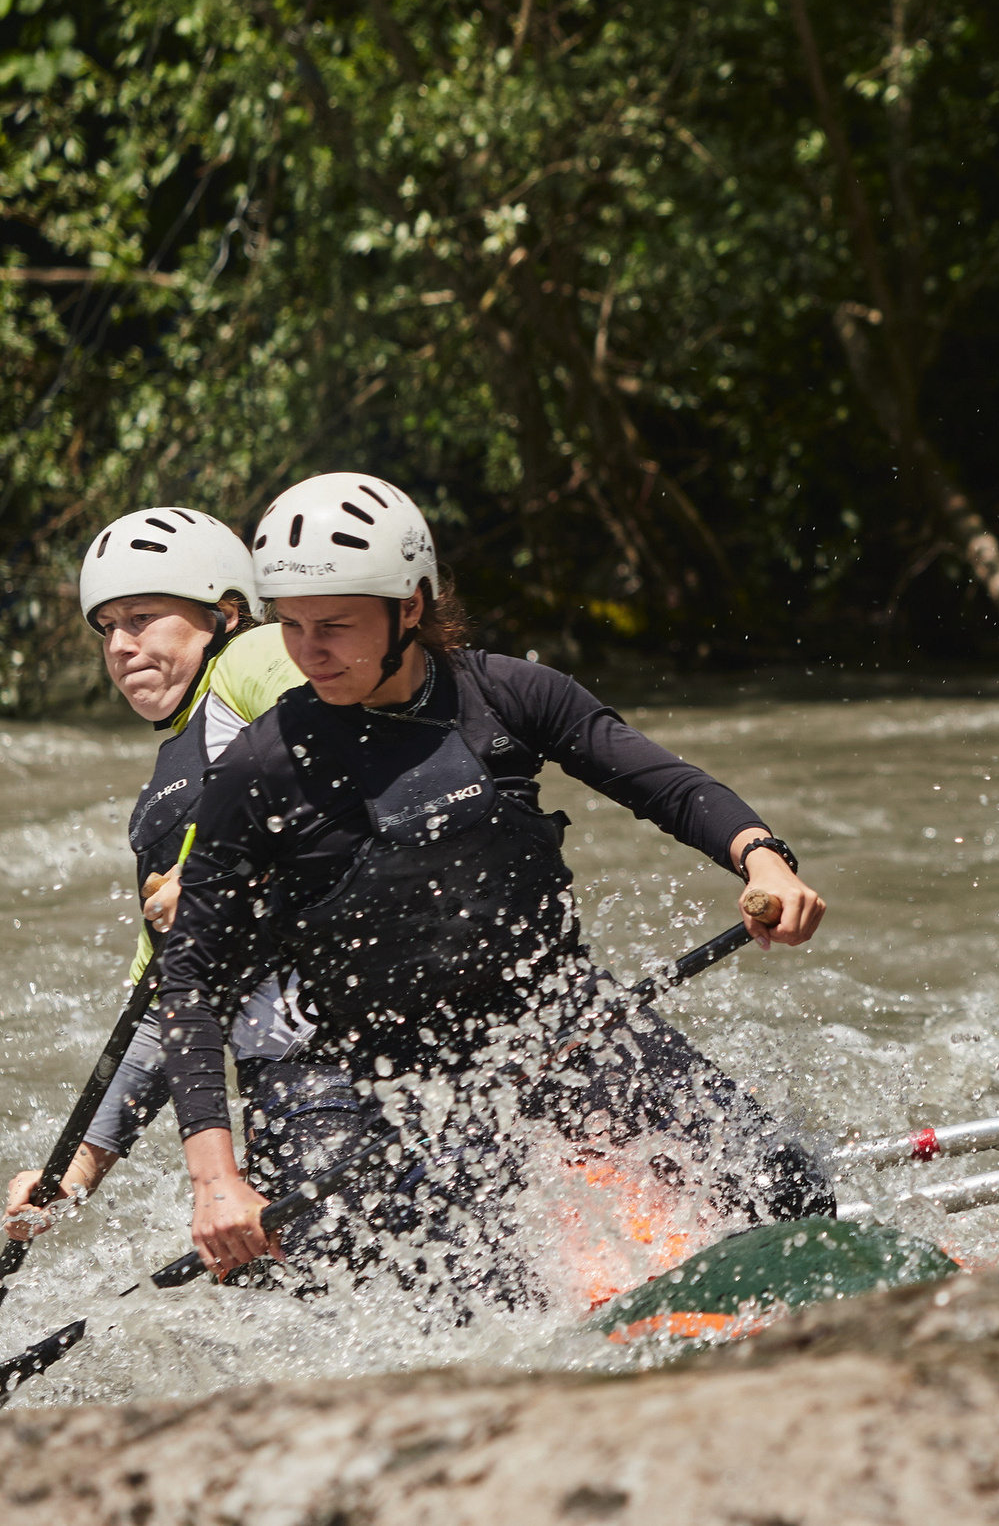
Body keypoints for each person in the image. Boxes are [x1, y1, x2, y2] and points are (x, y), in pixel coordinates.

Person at [155, 472, 832, 1293]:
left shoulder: (507, 694)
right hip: (366, 1072)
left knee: (789, 1188)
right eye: (290, 626)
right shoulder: (263, 764)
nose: (308, 652)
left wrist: (761, 856)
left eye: (334, 626)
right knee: (474, 1289)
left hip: (552, 1023)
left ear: (410, 605)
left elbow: (669, 787)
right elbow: (190, 980)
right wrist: (215, 1181)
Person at [2, 508, 309, 1238]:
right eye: (106, 627)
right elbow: (161, 1002)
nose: (119, 646)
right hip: (282, 1077)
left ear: (224, 614)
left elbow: (338, 726)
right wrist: (77, 1169)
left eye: (142, 618)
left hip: (359, 1040)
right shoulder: (167, 783)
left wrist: (218, 870)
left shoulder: (253, 659)